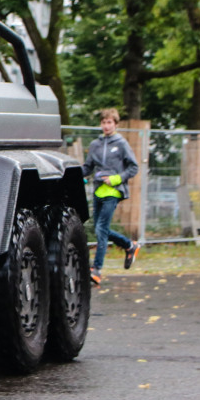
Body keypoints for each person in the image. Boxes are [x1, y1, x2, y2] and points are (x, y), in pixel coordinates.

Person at [82, 108, 141, 285]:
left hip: (114, 192)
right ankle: (130, 245)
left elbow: (133, 167)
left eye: (110, 122)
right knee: (101, 229)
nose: (106, 126)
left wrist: (116, 179)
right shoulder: (95, 144)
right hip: (98, 191)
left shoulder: (121, 144)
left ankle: (96, 269)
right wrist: (73, 174)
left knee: (101, 229)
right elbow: (87, 168)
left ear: (115, 124)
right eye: (104, 122)